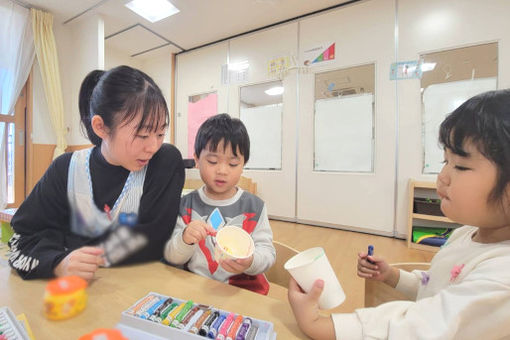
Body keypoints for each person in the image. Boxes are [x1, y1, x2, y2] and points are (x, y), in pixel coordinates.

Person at [288, 89, 510, 339]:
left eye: (460, 165)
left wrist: (316, 324)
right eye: (444, 161)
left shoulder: (503, 277)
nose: (443, 176)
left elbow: (422, 326)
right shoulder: (467, 234)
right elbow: (436, 289)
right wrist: (393, 276)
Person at [8, 65, 184, 281]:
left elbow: (151, 241)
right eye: (143, 134)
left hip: (145, 290)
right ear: (101, 127)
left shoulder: (164, 162)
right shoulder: (66, 169)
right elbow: (23, 238)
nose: (153, 146)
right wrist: (59, 263)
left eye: (160, 133)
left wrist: (66, 243)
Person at [164, 114, 275, 294]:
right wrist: (185, 239)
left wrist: (251, 261)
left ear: (243, 164)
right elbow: (172, 255)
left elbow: (268, 253)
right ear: (197, 160)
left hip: (241, 294)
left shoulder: (254, 207)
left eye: (232, 163)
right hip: (195, 290)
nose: (222, 171)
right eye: (213, 161)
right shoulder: (186, 205)